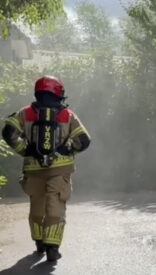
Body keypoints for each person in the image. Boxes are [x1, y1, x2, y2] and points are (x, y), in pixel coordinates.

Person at [1, 76, 91, 263]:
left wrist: (24, 151)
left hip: (33, 169)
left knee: (37, 207)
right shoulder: (67, 115)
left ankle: (39, 243)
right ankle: (53, 247)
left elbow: (8, 133)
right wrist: (67, 149)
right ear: (59, 92)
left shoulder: (25, 113)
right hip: (60, 169)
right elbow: (84, 141)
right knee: (55, 206)